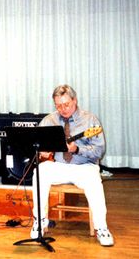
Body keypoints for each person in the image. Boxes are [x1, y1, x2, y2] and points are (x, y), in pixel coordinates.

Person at [30, 84, 114, 247]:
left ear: (75, 100)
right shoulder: (49, 120)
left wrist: (77, 149)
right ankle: (39, 221)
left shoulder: (90, 120)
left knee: (94, 181)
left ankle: (101, 228)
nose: (63, 109)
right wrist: (42, 152)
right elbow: (37, 144)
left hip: (84, 166)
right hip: (59, 165)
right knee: (40, 172)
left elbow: (99, 151)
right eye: (58, 105)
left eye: (66, 104)